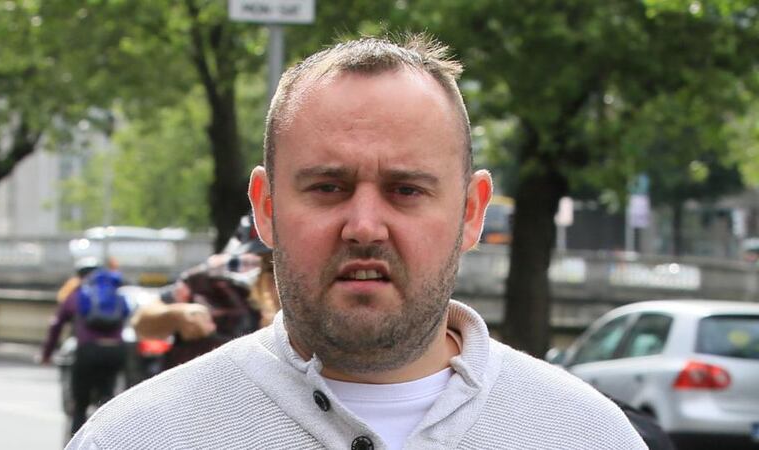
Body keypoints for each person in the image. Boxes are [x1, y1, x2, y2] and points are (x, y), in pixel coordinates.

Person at [67, 35, 647, 449]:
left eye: (406, 190)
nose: (364, 225)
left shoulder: (588, 435)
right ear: (266, 208)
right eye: (327, 187)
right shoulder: (135, 437)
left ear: (471, 213)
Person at [130, 215, 277, 369]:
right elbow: (141, 322)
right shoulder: (214, 279)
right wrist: (176, 314)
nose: (276, 279)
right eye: (268, 264)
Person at [42, 262, 131, 436]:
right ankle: (107, 438)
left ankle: (77, 441)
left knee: (80, 403)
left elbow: (56, 325)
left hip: (88, 351)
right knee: (107, 399)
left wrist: (46, 353)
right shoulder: (115, 292)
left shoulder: (78, 294)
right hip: (115, 351)